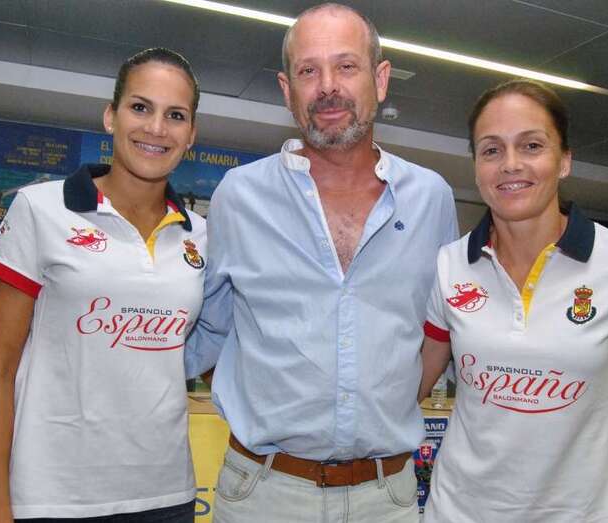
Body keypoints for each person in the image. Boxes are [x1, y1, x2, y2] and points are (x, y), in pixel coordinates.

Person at [185, 3, 458, 521]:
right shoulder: (239, 197)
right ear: (287, 90)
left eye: (346, 66)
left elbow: (436, 333)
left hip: (388, 498)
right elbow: (214, 327)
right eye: (308, 70)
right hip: (263, 493)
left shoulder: (432, 199)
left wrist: (385, 403)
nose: (328, 86)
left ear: (381, 79)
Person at [418, 79, 608, 523]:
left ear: (565, 161)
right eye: (492, 150)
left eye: (532, 145)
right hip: (458, 512)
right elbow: (411, 387)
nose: (510, 164)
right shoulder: (450, 265)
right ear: (476, 167)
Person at [0, 47, 206, 522]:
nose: (156, 128)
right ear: (110, 116)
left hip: (166, 497)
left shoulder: (201, 235)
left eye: (175, 115)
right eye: (140, 107)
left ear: (191, 135)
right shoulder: (41, 209)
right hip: (55, 498)